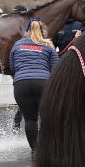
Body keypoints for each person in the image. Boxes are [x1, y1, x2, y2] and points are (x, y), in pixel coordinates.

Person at [9, 18, 58, 150]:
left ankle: (35, 151)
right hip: (43, 82)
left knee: (30, 120)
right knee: (47, 117)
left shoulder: (17, 44)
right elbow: (55, 69)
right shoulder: (48, 46)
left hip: (21, 84)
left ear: (27, 31)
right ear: (43, 31)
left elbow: (12, 67)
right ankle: (48, 148)